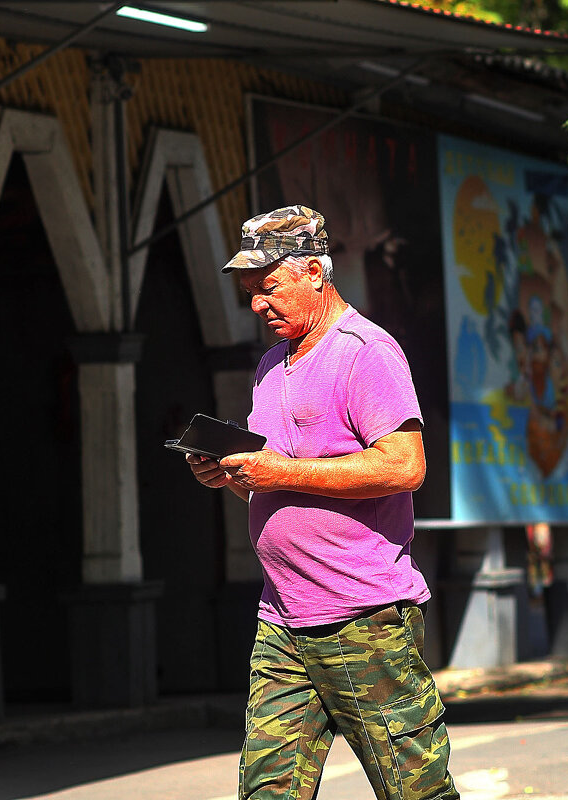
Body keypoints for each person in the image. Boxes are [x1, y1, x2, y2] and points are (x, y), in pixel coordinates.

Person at [186, 205, 459, 800]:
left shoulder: (366, 351)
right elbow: (279, 478)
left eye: (269, 286)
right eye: (250, 293)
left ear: (314, 271)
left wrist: (279, 471)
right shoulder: (270, 365)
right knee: (267, 791)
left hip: (364, 617)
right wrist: (231, 475)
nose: (258, 304)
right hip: (282, 618)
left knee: (416, 791)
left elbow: (405, 466)